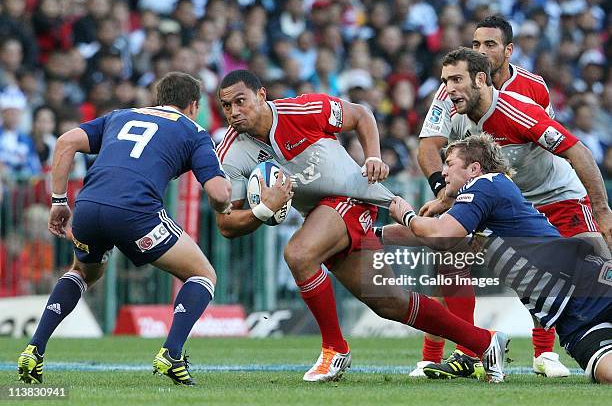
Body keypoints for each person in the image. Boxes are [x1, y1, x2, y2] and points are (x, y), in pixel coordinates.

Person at [215, 69, 509, 383]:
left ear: (261, 96)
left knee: (299, 254)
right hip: (321, 217)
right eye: (226, 106)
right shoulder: (230, 152)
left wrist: (373, 157)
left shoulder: (303, 110)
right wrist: (262, 210)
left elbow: (362, 116)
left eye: (240, 101)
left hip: (352, 197)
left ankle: (334, 350)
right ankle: (484, 342)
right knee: (391, 303)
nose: (234, 111)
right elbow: (225, 224)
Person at [17, 72, 232, 386]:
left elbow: (65, 142)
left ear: (159, 98)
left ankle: (34, 349)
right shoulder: (194, 132)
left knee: (83, 272)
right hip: (136, 214)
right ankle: (172, 353)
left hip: (88, 207)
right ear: (194, 105)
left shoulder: (120, 115)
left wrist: (59, 201)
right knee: (203, 274)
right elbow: (218, 192)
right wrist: (227, 204)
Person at [416, 42, 611, 379]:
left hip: (556, 195)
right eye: (445, 81)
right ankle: (460, 352)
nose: (448, 88)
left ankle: (545, 353)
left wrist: (602, 209)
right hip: (504, 201)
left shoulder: (521, 106)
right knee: (447, 251)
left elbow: (577, 151)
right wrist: (445, 195)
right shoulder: (447, 100)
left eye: (456, 80)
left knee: (597, 267)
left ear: (481, 78)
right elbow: (427, 148)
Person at [383, 133, 612, 384]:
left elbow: (441, 234)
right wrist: (372, 234)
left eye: (449, 163)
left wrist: (407, 215)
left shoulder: (486, 184)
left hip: (587, 285)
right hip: (569, 320)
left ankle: (536, 354)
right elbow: (429, 234)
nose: (443, 172)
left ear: (474, 168)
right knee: (607, 375)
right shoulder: (480, 201)